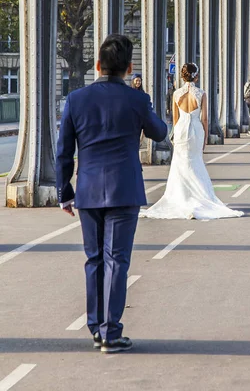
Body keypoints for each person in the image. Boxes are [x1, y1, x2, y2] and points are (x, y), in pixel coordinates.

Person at [56, 34, 167, 353]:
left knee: (94, 258)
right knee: (117, 260)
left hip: (88, 190)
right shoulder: (136, 99)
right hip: (125, 189)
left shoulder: (76, 99)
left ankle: (95, 327)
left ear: (97, 65)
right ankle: (111, 332)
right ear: (129, 67)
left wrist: (65, 191)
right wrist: (143, 100)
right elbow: (160, 133)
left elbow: (64, 150)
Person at [140, 63, 244, 220]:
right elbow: (204, 118)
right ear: (196, 76)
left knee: (180, 163)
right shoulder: (201, 93)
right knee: (195, 162)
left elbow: (175, 119)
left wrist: (175, 134)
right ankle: (199, 195)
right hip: (195, 129)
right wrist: (205, 137)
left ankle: (180, 196)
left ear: (182, 76)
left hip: (181, 129)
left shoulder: (176, 94)